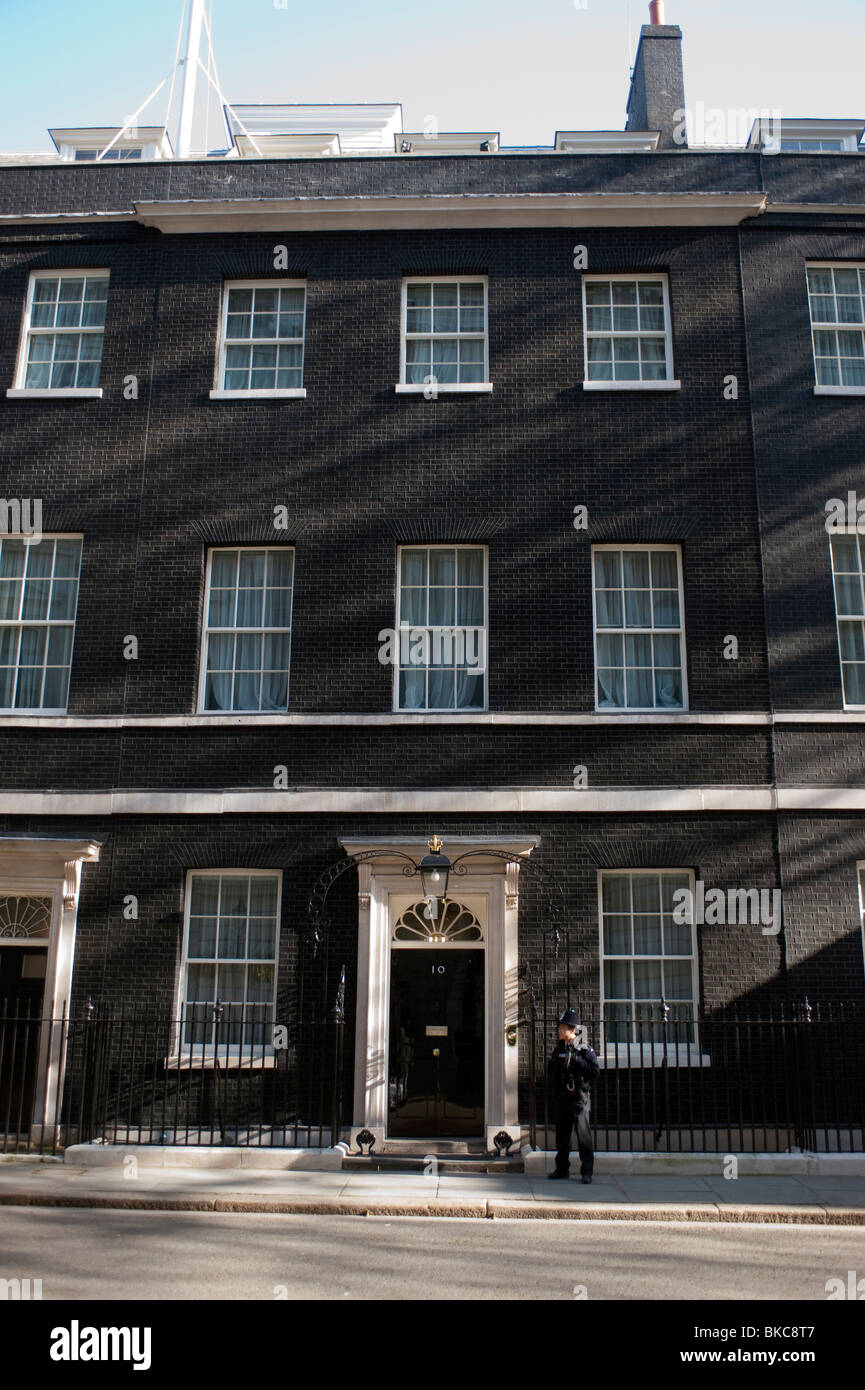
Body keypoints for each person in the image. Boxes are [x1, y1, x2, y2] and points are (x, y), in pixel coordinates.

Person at [548, 1007, 600, 1183]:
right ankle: (562, 1168)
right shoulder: (559, 1049)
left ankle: (587, 1172)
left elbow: (594, 1071)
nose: (559, 1030)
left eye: (562, 1027)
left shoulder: (584, 1050)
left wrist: (576, 1061)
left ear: (572, 1030)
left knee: (583, 1136)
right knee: (562, 1137)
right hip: (562, 1098)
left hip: (579, 1099)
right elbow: (551, 1070)